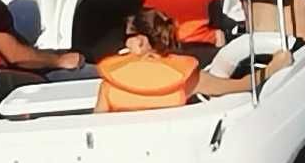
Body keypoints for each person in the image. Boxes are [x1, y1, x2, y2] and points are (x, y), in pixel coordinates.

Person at [95, 9, 269, 111]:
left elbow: (98, 126)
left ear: (140, 41)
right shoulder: (186, 78)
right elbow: (244, 85)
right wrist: (273, 67)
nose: (124, 41)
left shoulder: (111, 82)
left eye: (127, 36)